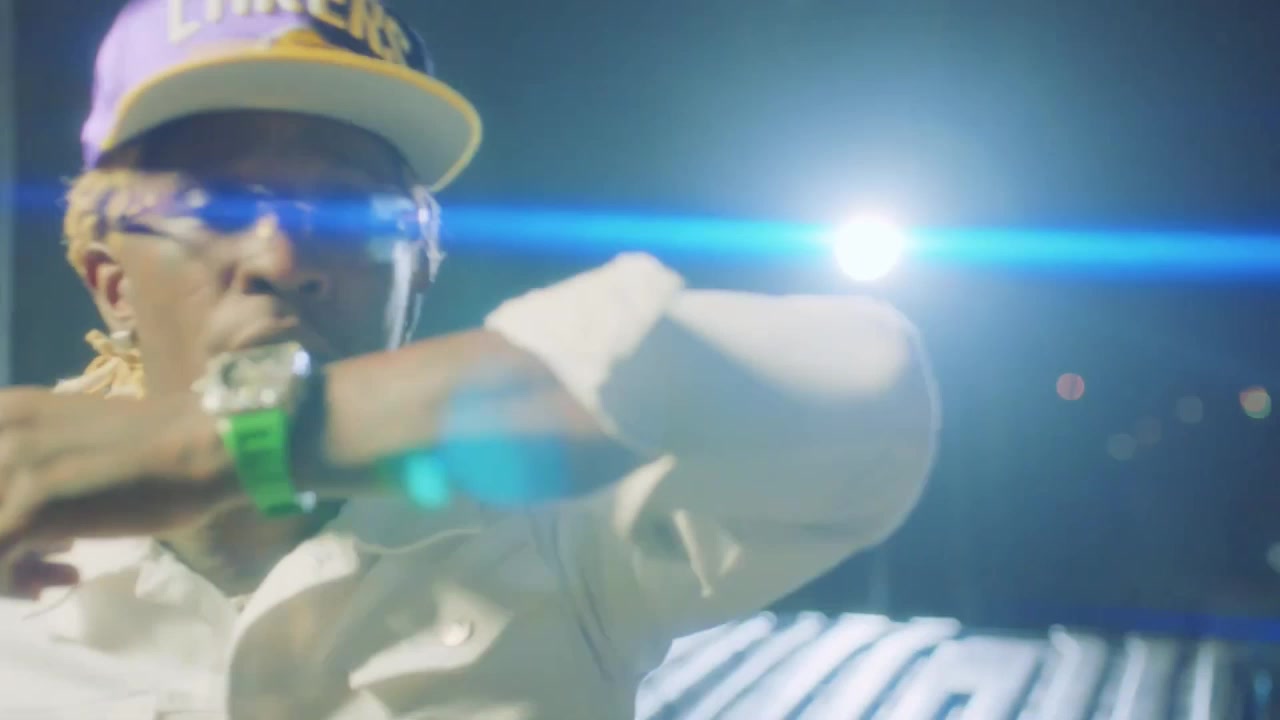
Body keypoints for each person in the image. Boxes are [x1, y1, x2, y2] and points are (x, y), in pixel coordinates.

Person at [0, 1, 938, 717]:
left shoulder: (554, 518)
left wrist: (232, 438)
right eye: (213, 205)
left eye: (351, 208)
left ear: (420, 266)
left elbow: (869, 390)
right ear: (111, 281)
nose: (282, 257)